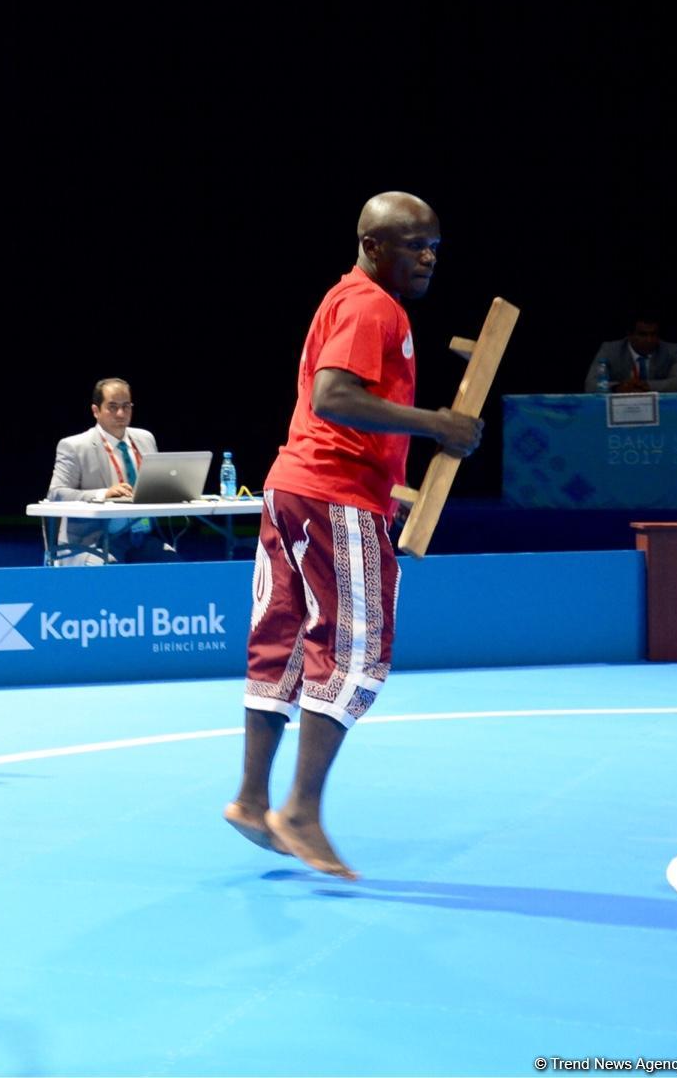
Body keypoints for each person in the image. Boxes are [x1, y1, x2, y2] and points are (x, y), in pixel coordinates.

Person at [225, 191, 482, 882]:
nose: (428, 255)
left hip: (292, 485)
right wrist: (439, 424)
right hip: (335, 494)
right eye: (412, 243)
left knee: (280, 636)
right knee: (355, 647)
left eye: (434, 243)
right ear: (373, 245)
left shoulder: (347, 298)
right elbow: (333, 396)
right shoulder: (373, 306)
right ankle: (301, 811)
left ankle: (253, 799)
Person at [44, 377, 171, 564]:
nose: (120, 413)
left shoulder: (145, 439)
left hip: (142, 538)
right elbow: (56, 493)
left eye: (126, 406)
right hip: (93, 541)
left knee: (173, 564)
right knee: (108, 569)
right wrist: (104, 494)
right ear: (96, 411)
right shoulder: (75, 446)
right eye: (112, 407)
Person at [584, 316, 677, 393]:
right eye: (643, 334)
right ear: (629, 335)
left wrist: (646, 386)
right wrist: (618, 388)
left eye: (653, 334)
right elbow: (591, 385)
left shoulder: (672, 350)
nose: (649, 340)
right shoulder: (609, 350)